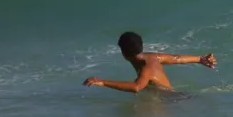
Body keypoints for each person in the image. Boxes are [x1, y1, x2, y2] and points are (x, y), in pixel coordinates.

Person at [83, 31, 216, 93]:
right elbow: (176, 58)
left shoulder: (146, 69)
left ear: (124, 53)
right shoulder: (152, 57)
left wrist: (103, 82)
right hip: (175, 98)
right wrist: (200, 59)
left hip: (171, 102)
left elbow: (136, 87)